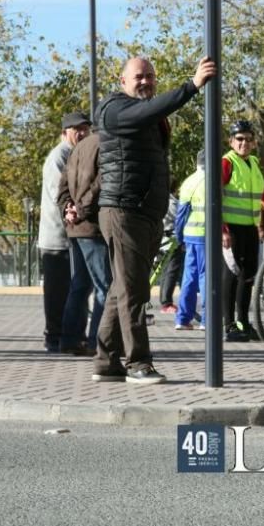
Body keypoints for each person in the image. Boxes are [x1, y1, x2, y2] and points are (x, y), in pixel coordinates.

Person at [91, 56, 216, 384]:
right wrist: (191, 87)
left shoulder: (143, 114)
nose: (145, 82)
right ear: (122, 81)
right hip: (124, 211)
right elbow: (150, 110)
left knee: (123, 289)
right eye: (138, 77)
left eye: (150, 76)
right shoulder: (114, 110)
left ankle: (106, 361)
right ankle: (138, 364)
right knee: (134, 292)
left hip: (144, 213)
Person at [38, 111, 92, 353]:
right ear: (64, 133)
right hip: (58, 238)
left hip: (71, 235)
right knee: (59, 291)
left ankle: (72, 336)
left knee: (75, 288)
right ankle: (55, 337)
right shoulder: (59, 156)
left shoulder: (75, 153)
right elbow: (62, 194)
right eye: (76, 129)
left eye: (85, 128)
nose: (81, 133)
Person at [57, 127, 110, 354]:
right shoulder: (106, 146)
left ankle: (68, 339)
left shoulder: (77, 149)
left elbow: (63, 186)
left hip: (75, 228)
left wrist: (67, 209)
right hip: (92, 226)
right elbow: (100, 184)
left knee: (80, 285)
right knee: (105, 288)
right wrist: (80, 208)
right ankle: (97, 343)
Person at [221, 120, 264, 342]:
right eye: (239, 139)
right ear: (231, 141)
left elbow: (262, 194)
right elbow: (215, 195)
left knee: (248, 276)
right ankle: (230, 325)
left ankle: (244, 322)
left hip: (250, 227)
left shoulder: (254, 163)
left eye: (248, 139)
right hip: (232, 229)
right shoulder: (226, 163)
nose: (244, 143)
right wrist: (222, 230)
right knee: (232, 274)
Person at [175, 151, 207, 330]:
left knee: (189, 277)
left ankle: (182, 319)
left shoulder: (189, 181)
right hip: (206, 235)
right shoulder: (212, 181)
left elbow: (181, 214)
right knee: (206, 277)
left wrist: (179, 236)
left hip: (190, 235)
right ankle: (207, 319)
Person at [157, 178, 185, 316]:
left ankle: (165, 301)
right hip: (171, 240)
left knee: (165, 270)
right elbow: (180, 217)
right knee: (171, 270)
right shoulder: (172, 202)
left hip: (162, 239)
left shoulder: (159, 198)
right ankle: (166, 302)